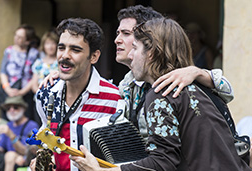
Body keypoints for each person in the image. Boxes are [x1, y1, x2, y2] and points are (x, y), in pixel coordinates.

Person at [70, 17, 252, 171]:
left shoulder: (161, 95)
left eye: (135, 47)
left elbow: (161, 165)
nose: (130, 55)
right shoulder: (203, 84)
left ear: (152, 53)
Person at [41, 5, 234, 140]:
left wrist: (198, 73)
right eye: (117, 33)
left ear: (149, 38)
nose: (117, 40)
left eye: (125, 34)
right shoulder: (127, 83)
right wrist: (71, 77)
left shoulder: (180, 76)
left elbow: (227, 93)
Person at [30, 18, 121, 171]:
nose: (65, 55)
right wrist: (41, 159)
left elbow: (123, 160)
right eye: (61, 47)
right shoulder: (45, 94)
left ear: (93, 57)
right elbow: (46, 138)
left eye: (75, 50)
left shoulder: (114, 98)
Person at [0, 96, 39, 171]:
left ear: (23, 109)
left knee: (10, 155)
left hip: (24, 160)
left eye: (15, 107)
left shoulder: (31, 125)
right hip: (7, 161)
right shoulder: (8, 125)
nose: (11, 110)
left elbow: (26, 151)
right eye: (8, 108)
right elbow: (1, 149)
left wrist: (11, 135)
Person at [0, 24, 40, 121]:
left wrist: (22, 92)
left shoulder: (34, 53)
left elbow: (35, 75)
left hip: (25, 93)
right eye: (16, 35)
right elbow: (3, 71)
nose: (16, 38)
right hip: (8, 91)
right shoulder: (9, 51)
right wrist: (7, 88)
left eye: (20, 37)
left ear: (27, 41)